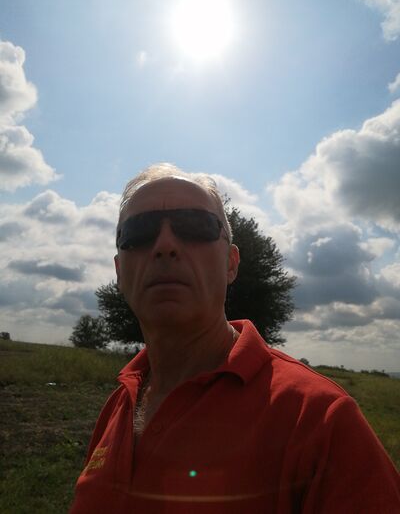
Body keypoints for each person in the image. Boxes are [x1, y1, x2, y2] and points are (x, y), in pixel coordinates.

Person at [70, 163, 400, 514]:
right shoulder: (119, 403)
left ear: (231, 263)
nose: (165, 245)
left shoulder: (320, 417)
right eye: (138, 232)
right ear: (120, 272)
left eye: (195, 226)